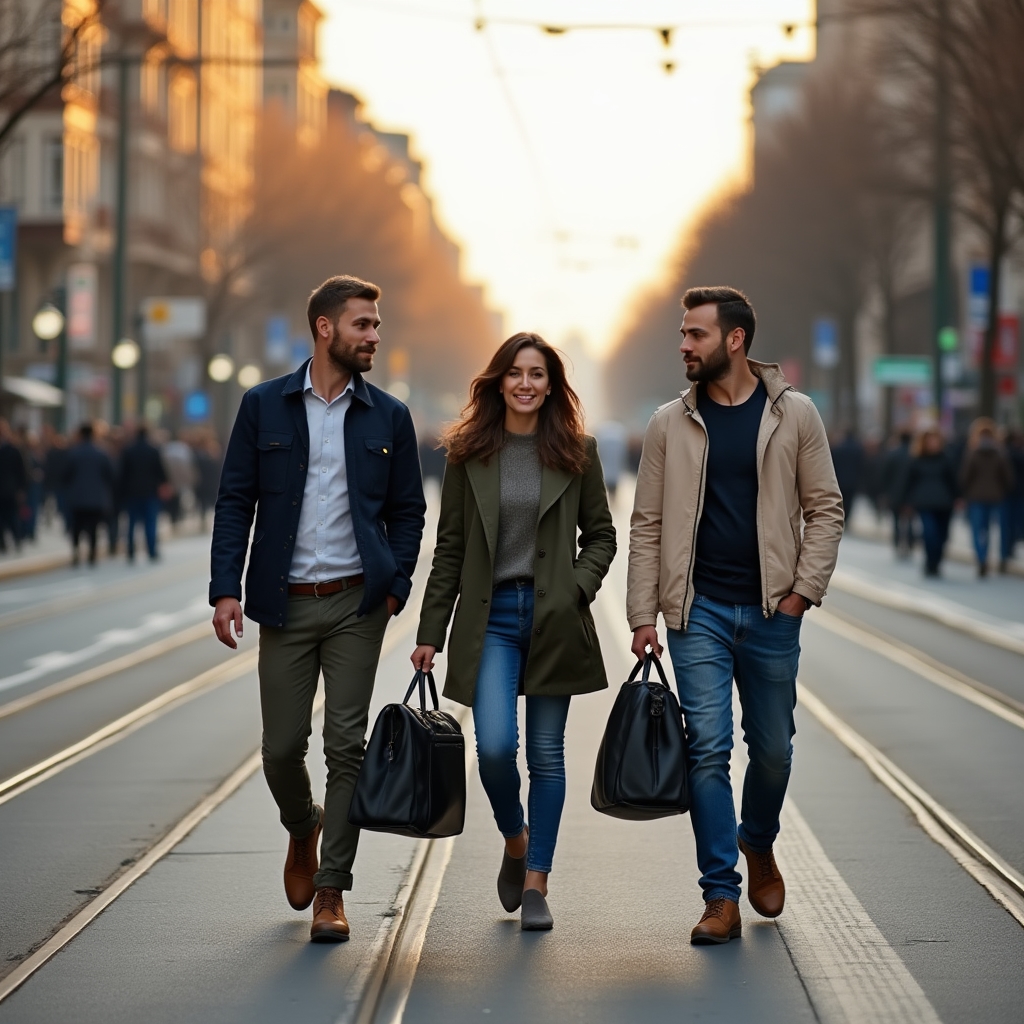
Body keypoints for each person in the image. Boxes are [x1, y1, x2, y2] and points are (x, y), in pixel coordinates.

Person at [209, 275, 425, 943]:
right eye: (363, 324)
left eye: (376, 324)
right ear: (326, 328)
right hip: (285, 603)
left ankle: (332, 889)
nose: (374, 336)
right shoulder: (264, 406)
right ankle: (303, 828)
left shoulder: (389, 414)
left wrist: (396, 586)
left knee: (347, 749)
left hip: (358, 604)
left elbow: (408, 511)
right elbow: (234, 502)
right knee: (280, 750)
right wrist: (226, 589)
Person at [627, 287, 843, 945]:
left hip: (774, 611)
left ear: (736, 340)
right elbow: (647, 523)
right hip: (699, 615)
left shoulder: (795, 414)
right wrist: (642, 613)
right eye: (684, 334)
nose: (685, 345)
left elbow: (825, 509)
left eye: (696, 334)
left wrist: (802, 592)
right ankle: (719, 896)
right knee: (709, 751)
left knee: (773, 751)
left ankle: (758, 840)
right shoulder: (671, 421)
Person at [411, 332, 616, 932]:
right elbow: (449, 549)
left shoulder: (578, 450)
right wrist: (431, 632)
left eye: (537, 374)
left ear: (552, 385)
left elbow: (600, 536)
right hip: (491, 618)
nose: (526, 384)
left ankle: (537, 883)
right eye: (515, 373)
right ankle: (516, 839)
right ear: (498, 381)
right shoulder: (466, 454)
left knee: (547, 756)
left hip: (554, 618)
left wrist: (577, 589)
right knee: (496, 748)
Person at [959, 418, 1015, 576]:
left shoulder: (973, 452)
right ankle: (999, 557)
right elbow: (1008, 477)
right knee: (993, 529)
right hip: (996, 496)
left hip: (976, 496)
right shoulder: (1000, 453)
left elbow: (965, 477)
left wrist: (966, 492)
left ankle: (981, 557)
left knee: (978, 529)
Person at [900, 427, 957, 577]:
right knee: (929, 533)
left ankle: (937, 561)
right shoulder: (916, 460)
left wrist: (958, 497)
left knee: (942, 535)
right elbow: (907, 482)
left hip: (944, 503)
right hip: (924, 502)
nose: (933, 443)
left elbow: (953, 480)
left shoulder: (946, 458)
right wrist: (905, 502)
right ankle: (930, 562)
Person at [63, 422, 116, 566]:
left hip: (77, 498)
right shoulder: (101, 453)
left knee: (77, 528)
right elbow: (110, 476)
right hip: (96, 498)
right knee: (93, 528)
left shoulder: (74, 453)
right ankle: (92, 554)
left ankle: (76, 552)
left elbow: (66, 475)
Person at [119, 425, 169, 562]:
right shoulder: (153, 451)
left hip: (132, 492)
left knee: (131, 523)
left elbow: (123, 474)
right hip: (150, 492)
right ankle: (151, 551)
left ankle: (130, 550)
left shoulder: (129, 450)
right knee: (150, 523)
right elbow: (161, 472)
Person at [880, 431, 915, 557]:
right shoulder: (914, 454)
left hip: (894, 493)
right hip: (911, 493)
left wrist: (885, 492)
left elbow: (885, 475)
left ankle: (897, 542)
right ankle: (910, 542)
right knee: (910, 520)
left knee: (896, 521)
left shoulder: (892, 454)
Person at [0, 420, 28, 553]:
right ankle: (3, 544)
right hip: (6, 489)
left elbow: (21, 471)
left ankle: (17, 540)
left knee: (12, 516)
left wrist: (21, 489)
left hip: (10, 489)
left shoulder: (13, 450)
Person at [830, 429, 863, 531]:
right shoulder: (857, 449)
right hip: (852, 480)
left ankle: (839, 518)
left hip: (840, 479)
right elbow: (861, 465)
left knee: (840, 500)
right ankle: (846, 519)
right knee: (849, 501)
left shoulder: (839, 448)